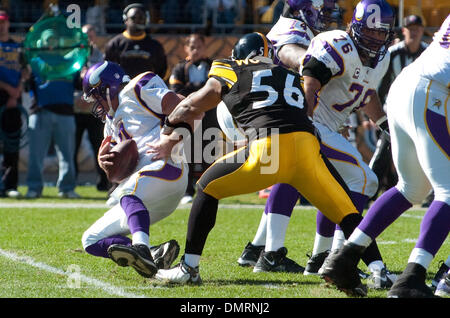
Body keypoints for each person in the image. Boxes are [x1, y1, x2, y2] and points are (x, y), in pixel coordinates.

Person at [150, 32, 382, 292]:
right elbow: (306, 108)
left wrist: (168, 127)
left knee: (206, 186)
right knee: (346, 210)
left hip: (268, 151)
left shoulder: (230, 67)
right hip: (308, 149)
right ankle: (379, 270)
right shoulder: (292, 75)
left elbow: (194, 104)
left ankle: (189, 268)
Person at [236, 0, 396, 290]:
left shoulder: (380, 59)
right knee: (363, 180)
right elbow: (309, 82)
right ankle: (337, 257)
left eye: (381, 33)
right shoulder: (336, 44)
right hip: (310, 123)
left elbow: (366, 94)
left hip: (327, 128)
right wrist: (304, 127)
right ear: (355, 27)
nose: (375, 39)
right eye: (370, 32)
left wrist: (384, 124)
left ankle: (323, 257)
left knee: (332, 183)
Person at [320, 14, 449, 298]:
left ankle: (344, 258)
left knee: (410, 188)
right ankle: (412, 277)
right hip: (435, 90)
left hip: (407, 87)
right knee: (449, 190)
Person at [236, 0, 340, 273]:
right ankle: (271, 255)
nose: (327, 17)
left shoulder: (301, 27)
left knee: (290, 171)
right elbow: (289, 53)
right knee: (293, 169)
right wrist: (318, 61)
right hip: (255, 107)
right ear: (303, 9)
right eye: (324, 11)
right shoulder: (292, 29)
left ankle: (256, 250)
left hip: (263, 106)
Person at [81, 61, 190, 278]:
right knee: (90, 240)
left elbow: (185, 106)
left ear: (109, 87)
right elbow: (119, 172)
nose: (97, 104)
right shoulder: (109, 124)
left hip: (167, 169)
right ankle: (154, 256)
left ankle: (141, 247)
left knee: (125, 192)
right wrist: (105, 165)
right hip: (142, 193)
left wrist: (172, 140)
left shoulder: (138, 87)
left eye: (97, 96)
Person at [369, 14, 428, 201]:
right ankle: (369, 192)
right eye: (411, 28)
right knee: (384, 152)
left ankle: (430, 194)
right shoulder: (393, 54)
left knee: (426, 152)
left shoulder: (427, 54)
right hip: (394, 113)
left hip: (422, 113)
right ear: (404, 31)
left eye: (418, 28)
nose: (415, 32)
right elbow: (381, 87)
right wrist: (377, 115)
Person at [25, 28, 80, 199]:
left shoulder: (71, 63)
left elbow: (78, 85)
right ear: (42, 42)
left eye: (54, 39)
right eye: (48, 40)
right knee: (35, 156)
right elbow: (28, 86)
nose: (51, 43)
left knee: (67, 155)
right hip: (40, 113)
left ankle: (67, 188)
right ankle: (34, 188)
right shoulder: (34, 62)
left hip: (66, 113)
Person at [169, 33, 219, 205]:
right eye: (192, 46)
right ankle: (187, 191)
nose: (195, 50)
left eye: (199, 46)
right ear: (186, 49)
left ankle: (209, 190)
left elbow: (218, 88)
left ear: (205, 48)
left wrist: (195, 91)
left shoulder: (214, 66)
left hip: (211, 116)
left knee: (209, 153)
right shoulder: (179, 68)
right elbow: (177, 90)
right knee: (187, 153)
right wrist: (202, 91)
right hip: (189, 117)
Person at [73, 24, 110, 192]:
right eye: (85, 35)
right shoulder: (73, 55)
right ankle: (71, 182)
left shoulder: (100, 57)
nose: (88, 38)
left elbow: (104, 82)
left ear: (95, 37)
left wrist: (92, 97)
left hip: (93, 109)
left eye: (91, 34)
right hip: (76, 109)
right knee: (72, 146)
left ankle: (103, 181)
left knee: (99, 145)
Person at [0, 8, 28, 198]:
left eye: (3, 22)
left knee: (12, 147)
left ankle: (11, 185)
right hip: (4, 98)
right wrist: (10, 91)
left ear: (8, 23)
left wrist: (16, 90)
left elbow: (25, 71)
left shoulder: (17, 47)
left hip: (13, 103)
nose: (1, 25)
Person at [104, 3, 167, 79]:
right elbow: (108, 70)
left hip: (147, 89)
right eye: (133, 18)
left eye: (141, 17)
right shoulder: (114, 44)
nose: (138, 20)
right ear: (125, 20)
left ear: (146, 19)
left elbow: (162, 71)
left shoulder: (155, 45)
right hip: (122, 89)